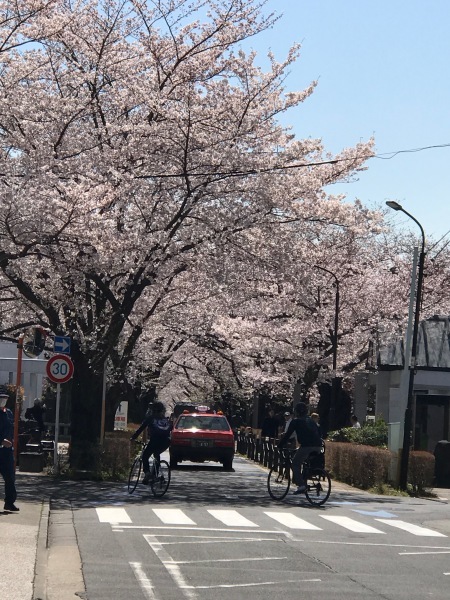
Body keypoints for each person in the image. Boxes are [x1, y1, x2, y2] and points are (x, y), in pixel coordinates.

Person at [277, 402, 323, 495]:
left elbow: (287, 435)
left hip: (306, 446)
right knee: (306, 462)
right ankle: (308, 478)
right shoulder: (311, 421)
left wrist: (280, 445)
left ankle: (301, 485)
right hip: (318, 446)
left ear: (296, 412)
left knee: (295, 463)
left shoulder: (296, 421)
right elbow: (320, 433)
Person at [131, 401, 171, 484]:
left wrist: (133, 438)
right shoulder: (166, 420)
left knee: (145, 456)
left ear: (153, 410)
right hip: (166, 441)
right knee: (157, 454)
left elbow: (141, 428)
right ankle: (154, 476)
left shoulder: (151, 418)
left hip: (155, 440)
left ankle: (148, 474)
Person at [0, 389, 18, 512]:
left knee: (10, 477)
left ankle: (9, 502)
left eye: (5, 398)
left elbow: (11, 430)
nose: (3, 401)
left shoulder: (9, 413)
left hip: (7, 452)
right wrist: (1, 441)